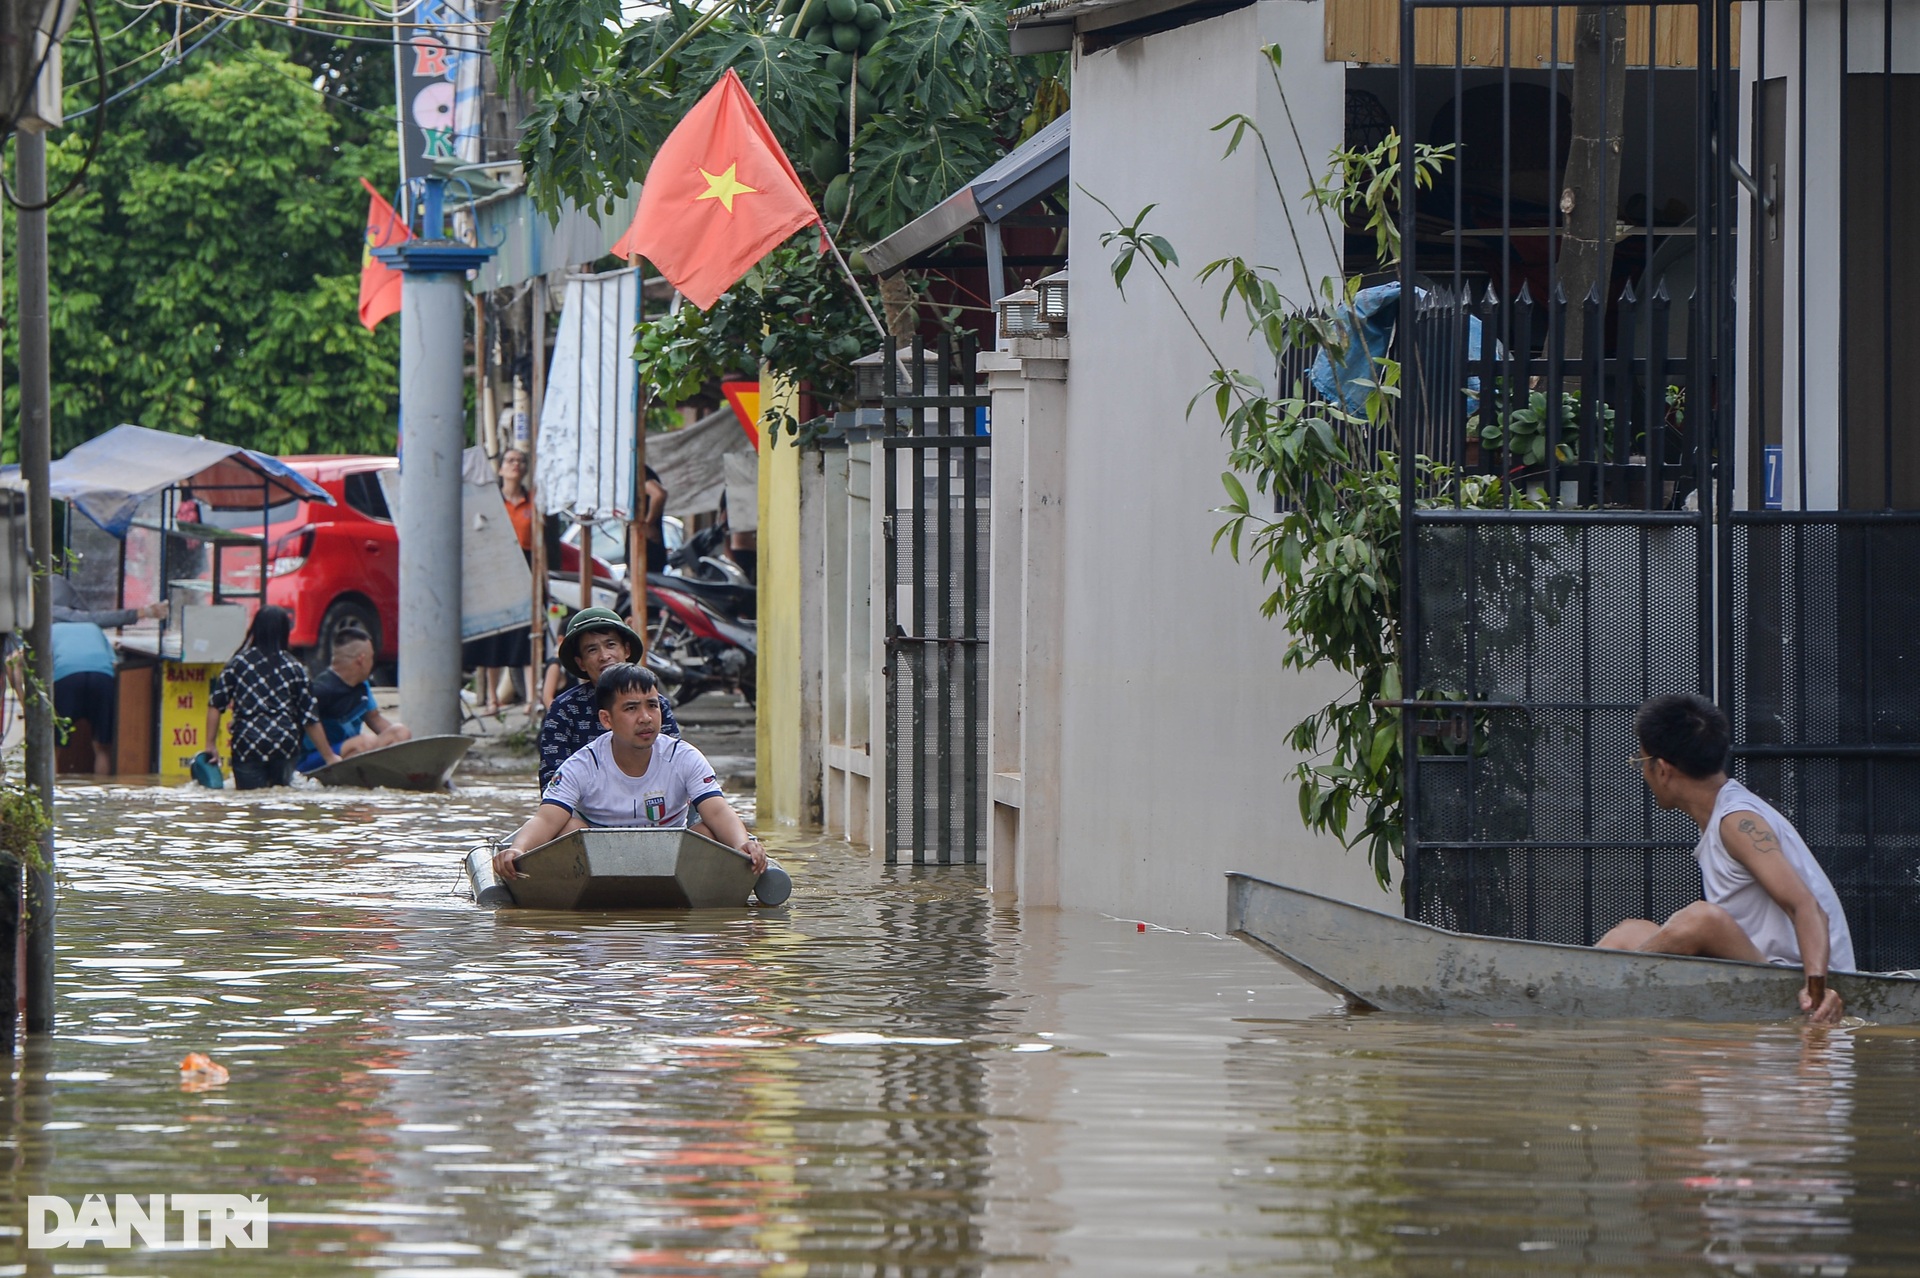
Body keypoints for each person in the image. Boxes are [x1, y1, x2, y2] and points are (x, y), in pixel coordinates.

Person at [1600, 693, 1854, 1023]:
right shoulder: (1725, 813)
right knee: (1627, 933)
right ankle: (1563, 998)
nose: (1643, 774)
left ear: (1661, 769)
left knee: (1702, 919)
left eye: (1640, 762)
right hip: (1761, 968)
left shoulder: (1737, 822)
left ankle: (1600, 991)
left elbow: (1805, 905)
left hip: (1802, 986)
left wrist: (1817, 990)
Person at [495, 662, 764, 879]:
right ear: (606, 719)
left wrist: (743, 845)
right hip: (598, 866)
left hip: (670, 863)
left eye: (652, 705)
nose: (645, 717)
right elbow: (546, 819)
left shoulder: (684, 756)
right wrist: (518, 849)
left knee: (706, 833)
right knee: (568, 828)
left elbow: (718, 810)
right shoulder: (582, 764)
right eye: (631, 708)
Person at [538, 606, 678, 790]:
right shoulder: (564, 710)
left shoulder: (656, 704)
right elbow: (552, 783)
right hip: (586, 810)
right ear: (581, 662)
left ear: (626, 650)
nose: (604, 656)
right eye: (592, 650)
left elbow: (675, 763)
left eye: (611, 645)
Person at [205, 606, 337, 789]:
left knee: (248, 803)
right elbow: (309, 718)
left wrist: (210, 744)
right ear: (284, 631)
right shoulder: (295, 668)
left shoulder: (238, 664)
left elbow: (215, 704)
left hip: (248, 744)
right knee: (279, 801)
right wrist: (329, 756)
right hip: (284, 744)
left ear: (255, 628)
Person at [49, 572, 167, 775]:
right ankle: (103, 796)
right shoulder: (93, 628)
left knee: (53, 747)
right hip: (101, 677)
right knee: (102, 747)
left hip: (66, 678)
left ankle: (51, 797)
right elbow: (114, 664)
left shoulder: (48, 630)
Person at [294, 626, 410, 773]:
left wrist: (403, 745)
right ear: (361, 660)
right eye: (371, 657)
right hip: (314, 759)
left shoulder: (362, 686)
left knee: (400, 732)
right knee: (364, 743)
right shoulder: (320, 690)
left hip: (352, 753)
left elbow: (374, 718)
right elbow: (307, 724)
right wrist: (329, 756)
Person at [473, 449, 536, 714]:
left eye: (520, 461)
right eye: (510, 461)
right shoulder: (491, 501)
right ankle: (492, 699)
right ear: (501, 469)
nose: (515, 466)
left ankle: (533, 698)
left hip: (525, 566)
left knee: (527, 635)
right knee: (493, 636)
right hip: (495, 567)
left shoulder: (532, 502)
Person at [642, 465, 669, 575]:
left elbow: (659, 494)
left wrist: (648, 524)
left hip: (647, 550)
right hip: (643, 549)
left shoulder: (638, 472)